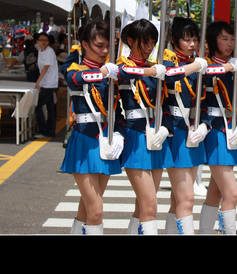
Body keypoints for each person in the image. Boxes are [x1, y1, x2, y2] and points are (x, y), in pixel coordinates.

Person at [59, 20, 125, 234]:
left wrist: (119, 134)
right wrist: (105, 72)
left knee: (86, 209)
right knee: (96, 211)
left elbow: (119, 110)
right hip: (84, 141)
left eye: (108, 45)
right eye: (99, 45)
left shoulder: (111, 71)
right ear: (84, 44)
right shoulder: (76, 67)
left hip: (106, 141)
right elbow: (75, 79)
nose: (105, 51)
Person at [117, 19, 174, 235]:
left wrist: (166, 128)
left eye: (153, 43)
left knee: (142, 206)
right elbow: (124, 74)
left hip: (156, 135)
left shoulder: (155, 67)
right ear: (130, 41)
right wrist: (152, 72)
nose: (150, 48)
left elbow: (166, 103)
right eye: (145, 43)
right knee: (150, 205)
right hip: (135, 136)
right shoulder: (122, 65)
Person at [160, 17, 209, 235]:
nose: (192, 44)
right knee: (187, 198)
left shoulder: (197, 64)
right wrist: (196, 65)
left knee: (178, 199)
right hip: (176, 133)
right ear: (173, 40)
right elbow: (169, 76)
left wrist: (205, 125)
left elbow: (204, 101)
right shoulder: (168, 61)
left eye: (195, 39)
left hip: (193, 131)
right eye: (186, 40)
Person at [198, 21, 237, 235]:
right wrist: (228, 67)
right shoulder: (205, 65)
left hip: (231, 131)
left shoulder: (235, 66)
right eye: (224, 38)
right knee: (231, 193)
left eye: (232, 38)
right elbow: (206, 74)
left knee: (215, 193)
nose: (229, 43)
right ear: (212, 40)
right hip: (215, 131)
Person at [34, 31, 59, 138]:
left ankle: (44, 131)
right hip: (46, 83)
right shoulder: (41, 51)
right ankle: (50, 131)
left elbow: (45, 67)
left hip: (49, 84)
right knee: (50, 108)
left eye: (46, 40)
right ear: (37, 42)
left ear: (48, 42)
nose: (43, 42)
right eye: (41, 40)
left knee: (38, 106)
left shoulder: (49, 51)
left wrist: (37, 82)